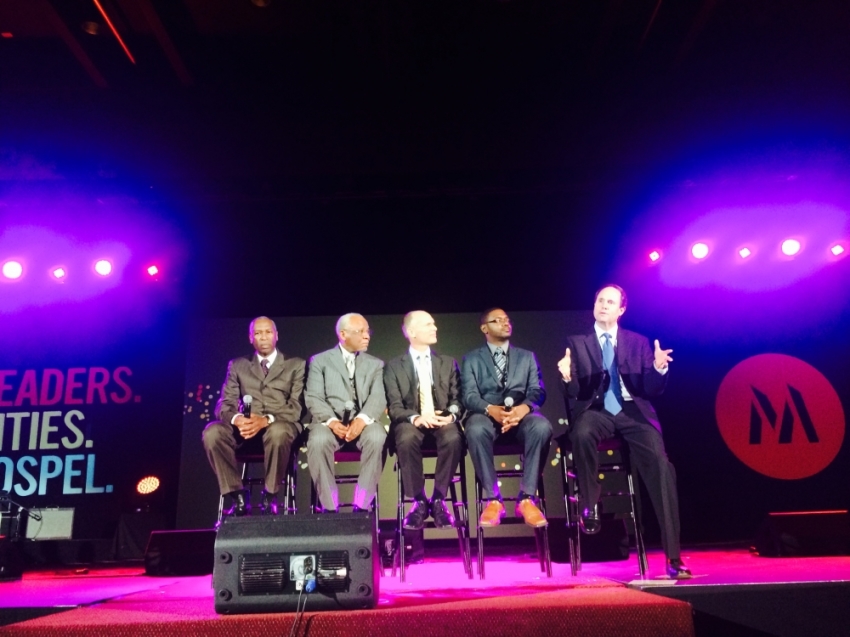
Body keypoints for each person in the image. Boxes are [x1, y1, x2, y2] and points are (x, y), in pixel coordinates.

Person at [558, 284, 691, 579]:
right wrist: (567, 377)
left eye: (610, 302)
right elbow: (575, 393)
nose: (604, 305)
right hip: (597, 410)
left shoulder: (638, 342)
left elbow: (650, 390)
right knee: (581, 433)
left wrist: (658, 368)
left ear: (621, 310)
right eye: (600, 300)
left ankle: (673, 557)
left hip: (633, 412)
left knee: (660, 464)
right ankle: (590, 503)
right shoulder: (577, 342)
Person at [202, 317, 304, 516]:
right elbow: (224, 404)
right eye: (257, 333)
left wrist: (265, 420)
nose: (263, 337)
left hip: (279, 427)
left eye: (267, 332)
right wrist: (237, 419)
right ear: (251, 338)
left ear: (276, 336)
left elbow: (297, 407)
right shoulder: (238, 365)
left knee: (278, 432)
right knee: (212, 432)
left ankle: (270, 495)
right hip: (244, 429)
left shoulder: (296, 365)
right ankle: (237, 495)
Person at [461, 308, 553, 528]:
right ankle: (493, 499)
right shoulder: (472, 359)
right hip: (487, 417)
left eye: (507, 320)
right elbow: (469, 395)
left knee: (541, 426)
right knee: (474, 428)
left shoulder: (527, 356)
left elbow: (537, 390)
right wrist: (490, 409)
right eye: (498, 320)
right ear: (485, 328)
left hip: (520, 418)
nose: (505, 323)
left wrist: (523, 409)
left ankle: (527, 498)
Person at [384, 311, 464, 530]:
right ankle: (418, 501)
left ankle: (439, 499)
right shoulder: (393, 366)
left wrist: (451, 415)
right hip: (412, 421)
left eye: (434, 323)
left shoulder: (448, 363)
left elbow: (458, 398)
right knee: (406, 437)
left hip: (441, 419)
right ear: (411, 332)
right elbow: (394, 406)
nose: (434, 327)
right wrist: (416, 417)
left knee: (453, 436)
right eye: (428, 324)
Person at [305, 313, 387, 512]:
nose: (367, 336)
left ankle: (361, 505)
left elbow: (378, 397)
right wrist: (332, 421)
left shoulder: (376, 364)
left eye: (368, 331)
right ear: (343, 334)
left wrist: (361, 420)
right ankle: (330, 508)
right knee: (317, 441)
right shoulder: (320, 361)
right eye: (361, 332)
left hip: (363, 424)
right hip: (329, 423)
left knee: (377, 436)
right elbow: (314, 397)